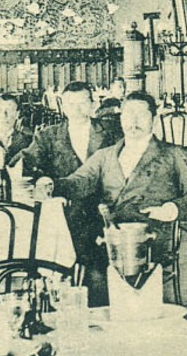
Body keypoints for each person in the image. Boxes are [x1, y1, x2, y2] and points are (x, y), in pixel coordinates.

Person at [49, 92, 187, 304]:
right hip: (109, 232)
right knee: (71, 254)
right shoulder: (106, 155)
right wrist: (51, 184)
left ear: (154, 118)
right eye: (128, 115)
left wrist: (171, 209)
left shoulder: (173, 154)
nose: (134, 121)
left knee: (101, 268)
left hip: (151, 234)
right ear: (121, 119)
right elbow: (79, 181)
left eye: (141, 114)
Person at [23, 81, 118, 295]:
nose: (77, 108)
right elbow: (29, 164)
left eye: (83, 102)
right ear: (62, 106)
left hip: (102, 208)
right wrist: (43, 179)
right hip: (64, 209)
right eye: (71, 103)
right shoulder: (47, 135)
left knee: (97, 263)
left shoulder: (111, 132)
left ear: (94, 105)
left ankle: (95, 292)